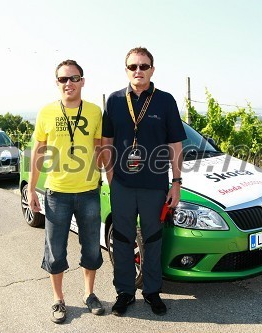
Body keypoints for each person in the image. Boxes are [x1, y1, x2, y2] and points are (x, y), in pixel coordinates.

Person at [101, 47, 186, 316]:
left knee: (153, 239)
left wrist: (176, 182)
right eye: (133, 66)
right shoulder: (114, 100)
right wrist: (111, 176)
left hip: (155, 186)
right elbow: (107, 142)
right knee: (124, 239)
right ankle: (124, 292)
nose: (138, 71)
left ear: (152, 69)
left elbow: (175, 144)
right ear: (126, 70)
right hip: (122, 185)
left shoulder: (165, 101)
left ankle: (152, 292)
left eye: (144, 66)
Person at [27, 59, 104, 324]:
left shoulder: (94, 111)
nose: (68, 83)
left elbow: (101, 149)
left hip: (89, 191)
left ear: (83, 80)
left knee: (92, 247)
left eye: (73, 78)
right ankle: (58, 300)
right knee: (55, 249)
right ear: (57, 83)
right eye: (63, 79)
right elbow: (38, 151)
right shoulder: (46, 112)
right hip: (56, 193)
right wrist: (32, 189)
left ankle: (89, 294)